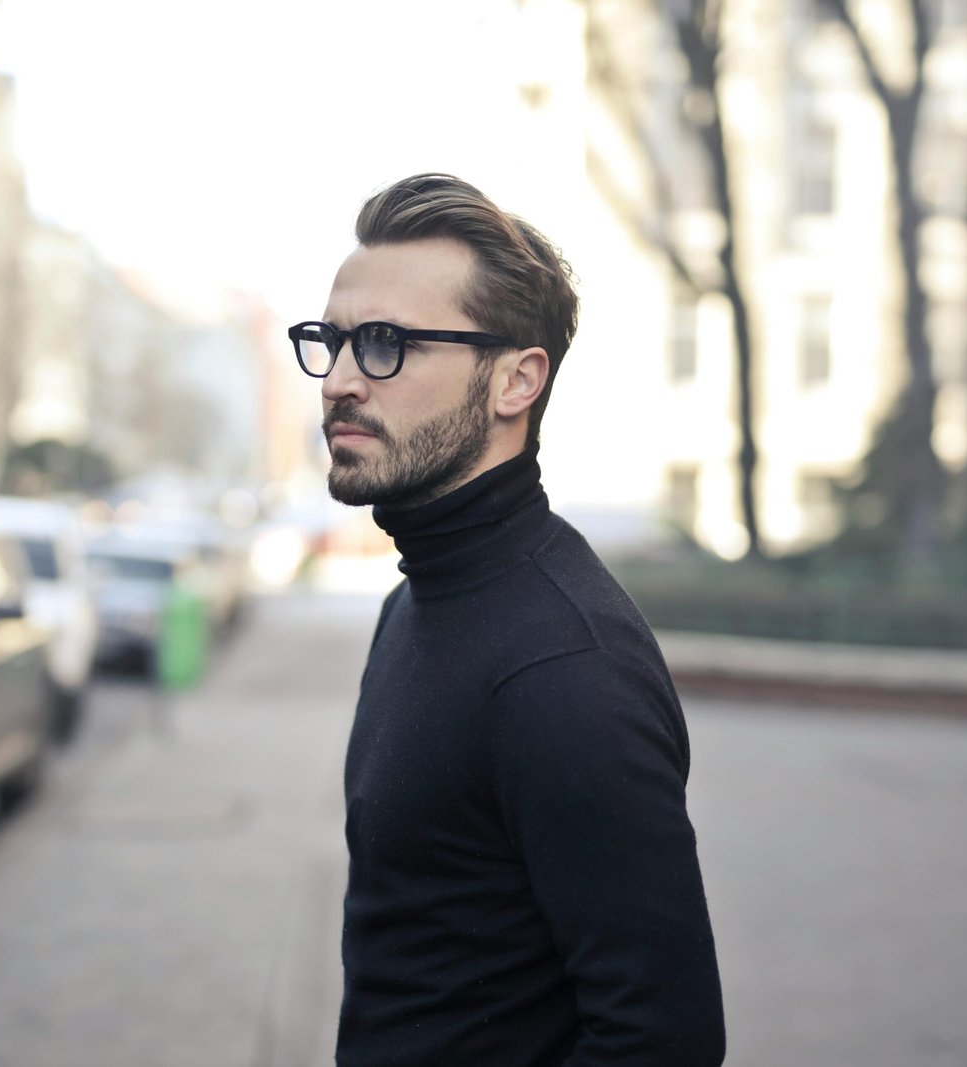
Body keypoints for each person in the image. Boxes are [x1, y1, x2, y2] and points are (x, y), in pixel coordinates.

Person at [291, 174, 725, 1066]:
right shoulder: (412, 602)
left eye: (384, 344)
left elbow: (664, 1040)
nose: (338, 381)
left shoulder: (564, 668)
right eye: (330, 342)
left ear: (515, 381)